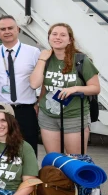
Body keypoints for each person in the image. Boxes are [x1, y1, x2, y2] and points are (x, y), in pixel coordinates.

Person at [30, 23, 100, 155]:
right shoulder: (46, 59)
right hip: (48, 116)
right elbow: (35, 84)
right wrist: (42, 59)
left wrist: (75, 89)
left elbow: (95, 88)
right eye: (54, 34)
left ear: (70, 40)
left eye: (63, 35)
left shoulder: (81, 60)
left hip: (74, 116)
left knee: (75, 160)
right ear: (49, 37)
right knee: (54, 160)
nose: (58, 37)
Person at [0, 15, 41, 152]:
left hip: (26, 110)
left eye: (10, 28)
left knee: (28, 149)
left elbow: (42, 79)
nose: (7, 31)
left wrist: (38, 102)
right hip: (2, 111)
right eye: (3, 29)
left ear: (17, 29)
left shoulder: (33, 52)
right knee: (3, 150)